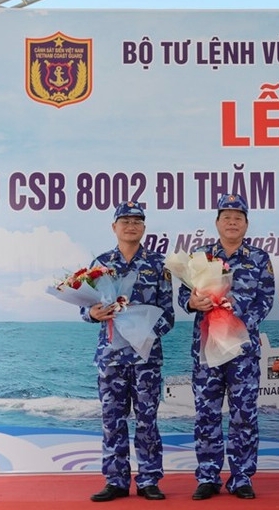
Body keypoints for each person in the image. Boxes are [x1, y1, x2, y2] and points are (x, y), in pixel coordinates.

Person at [177, 193, 275, 500]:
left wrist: (237, 306)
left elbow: (266, 301)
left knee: (244, 414)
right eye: (226, 217)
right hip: (207, 348)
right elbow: (184, 296)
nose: (232, 222)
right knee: (206, 413)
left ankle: (242, 476)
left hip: (242, 350)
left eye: (238, 217)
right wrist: (192, 302)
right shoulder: (200, 257)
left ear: (246, 223)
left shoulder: (259, 258)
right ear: (217, 222)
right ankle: (207, 475)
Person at [82, 201, 175, 502]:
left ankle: (149, 479)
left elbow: (168, 315)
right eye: (125, 221)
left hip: (146, 357)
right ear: (114, 227)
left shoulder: (159, 264)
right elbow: (86, 306)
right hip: (111, 357)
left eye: (137, 221)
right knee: (112, 419)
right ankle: (115, 480)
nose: (131, 226)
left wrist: (142, 333)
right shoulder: (100, 264)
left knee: (148, 420)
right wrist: (92, 314)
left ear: (144, 228)